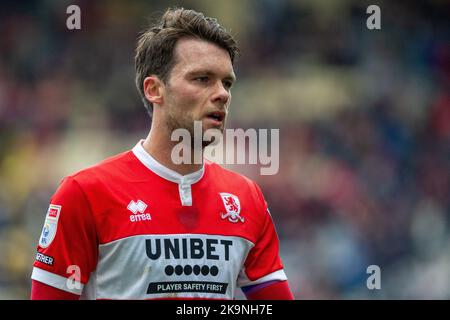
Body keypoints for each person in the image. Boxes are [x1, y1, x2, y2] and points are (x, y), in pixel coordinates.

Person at [30, 7, 294, 300]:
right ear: (154, 89)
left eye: (227, 82)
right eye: (202, 79)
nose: (222, 94)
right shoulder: (84, 194)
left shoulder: (247, 199)